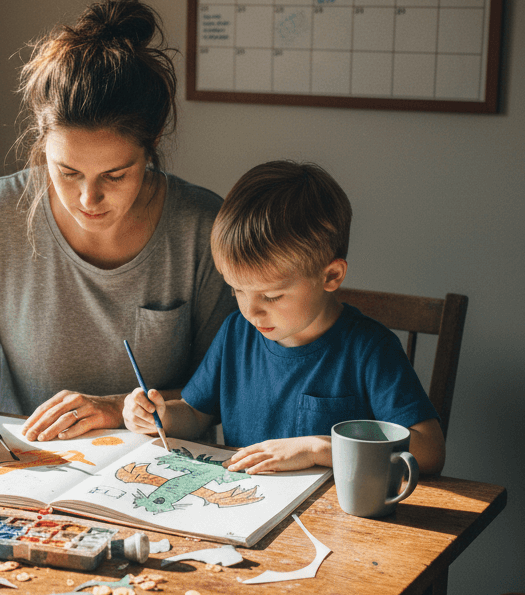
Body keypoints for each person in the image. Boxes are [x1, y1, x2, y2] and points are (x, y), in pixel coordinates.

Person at [0, 0, 232, 451]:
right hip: (30, 469)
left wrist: (112, 409)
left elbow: (226, 388)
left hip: (161, 473)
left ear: (151, 148)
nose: (88, 199)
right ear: (41, 145)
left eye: (116, 175)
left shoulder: (201, 225)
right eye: (67, 172)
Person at [123, 160, 446, 474]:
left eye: (272, 296)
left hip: (334, 517)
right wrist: (160, 416)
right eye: (236, 290)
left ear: (331, 276)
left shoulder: (369, 349)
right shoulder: (237, 332)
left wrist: (321, 448)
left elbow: (430, 451)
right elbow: (196, 413)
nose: (250, 311)